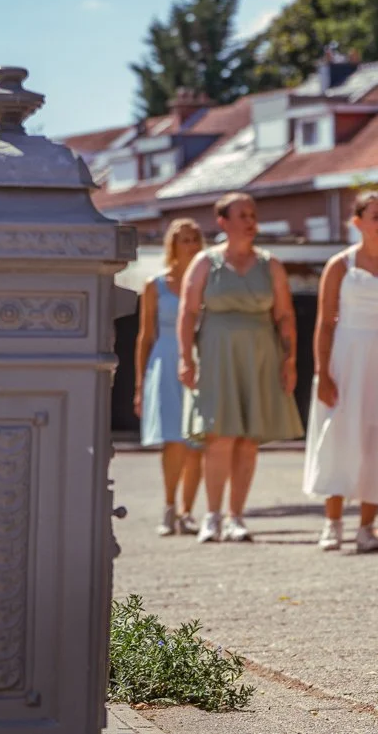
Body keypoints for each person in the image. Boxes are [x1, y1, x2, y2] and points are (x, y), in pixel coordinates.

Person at [178, 193, 307, 543]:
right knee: (219, 436)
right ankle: (212, 516)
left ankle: (237, 517)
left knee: (249, 439)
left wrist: (289, 360)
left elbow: (284, 315)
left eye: (253, 214)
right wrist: (185, 357)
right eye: (242, 215)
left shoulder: (271, 265)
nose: (251, 221)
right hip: (217, 354)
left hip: (261, 354)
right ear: (223, 222)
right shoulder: (205, 263)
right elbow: (188, 312)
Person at [303, 192, 378, 552]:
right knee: (340, 436)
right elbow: (324, 322)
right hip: (346, 358)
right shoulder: (339, 265)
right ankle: (332, 523)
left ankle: (367, 526)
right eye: (376, 217)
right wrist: (323, 372)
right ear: (358, 222)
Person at [135, 218, 206, 536]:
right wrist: (139, 384)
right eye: (185, 239)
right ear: (172, 245)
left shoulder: (209, 283)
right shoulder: (155, 284)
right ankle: (168, 507)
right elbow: (144, 336)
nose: (191, 244)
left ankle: (188, 512)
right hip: (164, 362)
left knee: (196, 442)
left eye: (195, 239)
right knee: (173, 441)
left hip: (200, 362)